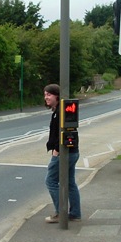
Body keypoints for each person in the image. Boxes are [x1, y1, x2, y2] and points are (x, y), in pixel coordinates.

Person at [43, 84, 81, 223]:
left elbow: (63, 132)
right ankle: (75, 213)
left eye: (49, 94)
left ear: (57, 96)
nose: (46, 97)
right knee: (70, 182)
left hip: (63, 153)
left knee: (51, 181)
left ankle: (61, 213)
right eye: (45, 94)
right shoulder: (59, 110)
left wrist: (56, 151)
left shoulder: (60, 112)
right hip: (73, 152)